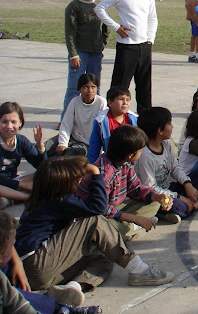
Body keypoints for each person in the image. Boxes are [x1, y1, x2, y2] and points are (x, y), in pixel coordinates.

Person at [16, 156, 174, 296]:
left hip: (40, 275)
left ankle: (74, 288)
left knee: (105, 257)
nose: (80, 182)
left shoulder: (47, 198)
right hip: (35, 262)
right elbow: (98, 208)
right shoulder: (58, 200)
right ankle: (138, 269)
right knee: (94, 221)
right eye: (76, 180)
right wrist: (96, 172)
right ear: (61, 185)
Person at [78, 125, 171, 242]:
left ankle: (132, 227)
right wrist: (134, 218)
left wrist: (156, 196)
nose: (142, 153)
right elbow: (100, 208)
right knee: (113, 229)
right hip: (95, 215)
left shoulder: (125, 164)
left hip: (116, 208)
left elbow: (136, 188)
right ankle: (131, 228)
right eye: (140, 151)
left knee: (154, 203)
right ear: (130, 155)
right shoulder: (104, 174)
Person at [1, 210, 102, 314]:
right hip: (34, 266)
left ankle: (57, 299)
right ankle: (56, 307)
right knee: (96, 222)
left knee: (102, 258)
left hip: (18, 272)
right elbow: (98, 206)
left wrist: (17, 262)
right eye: (11, 244)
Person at [95, 0, 158, 115]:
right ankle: (113, 117)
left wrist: (150, 39)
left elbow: (152, 18)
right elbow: (99, 8)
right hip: (126, 46)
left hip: (144, 46)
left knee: (144, 85)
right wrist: (116, 27)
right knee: (120, 85)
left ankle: (145, 118)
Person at [135, 107, 198, 223]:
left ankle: (184, 207)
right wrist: (179, 197)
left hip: (168, 188)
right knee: (179, 205)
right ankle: (193, 205)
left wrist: (187, 184)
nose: (172, 127)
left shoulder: (166, 143)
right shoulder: (145, 155)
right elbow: (150, 188)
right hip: (155, 196)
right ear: (160, 131)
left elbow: (175, 167)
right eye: (169, 124)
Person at [62, 0, 108, 119]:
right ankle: (67, 119)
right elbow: (70, 32)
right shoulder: (74, 7)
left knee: (95, 86)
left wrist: (103, 42)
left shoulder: (99, 5)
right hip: (80, 52)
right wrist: (73, 54)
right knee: (74, 87)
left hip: (95, 52)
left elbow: (106, 25)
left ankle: (97, 117)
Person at [53, 73, 107, 157]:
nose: (90, 91)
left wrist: (100, 150)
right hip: (73, 137)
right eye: (86, 87)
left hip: (87, 144)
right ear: (79, 89)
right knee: (41, 148)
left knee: (71, 154)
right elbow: (66, 124)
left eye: (93, 87)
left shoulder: (101, 102)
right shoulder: (74, 102)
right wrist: (62, 143)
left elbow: (102, 129)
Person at [0, 102, 45, 204]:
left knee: (46, 175)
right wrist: (21, 185)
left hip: (14, 180)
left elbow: (42, 167)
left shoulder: (21, 141)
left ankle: (10, 198)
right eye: (4, 122)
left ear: (20, 123)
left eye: (13, 122)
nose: (9, 126)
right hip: (6, 183)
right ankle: (26, 197)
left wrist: (40, 146)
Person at [87, 86, 138, 164]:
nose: (125, 103)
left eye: (128, 100)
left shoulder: (134, 120)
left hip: (132, 161)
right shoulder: (101, 121)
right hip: (111, 161)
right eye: (121, 99)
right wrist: (92, 167)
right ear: (110, 103)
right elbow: (94, 146)